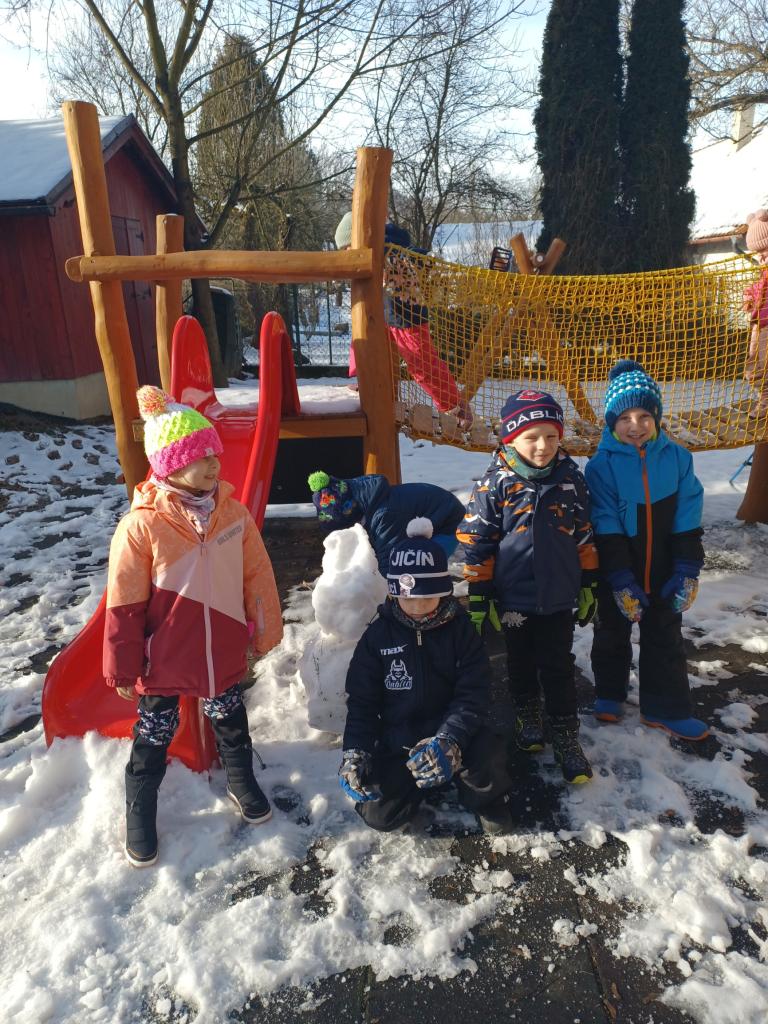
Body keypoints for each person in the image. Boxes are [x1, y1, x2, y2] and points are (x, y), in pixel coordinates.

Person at [104, 386, 283, 867]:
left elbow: (257, 575)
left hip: (220, 648)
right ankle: (140, 810)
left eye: (214, 455)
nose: (213, 465)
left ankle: (241, 780)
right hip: (162, 656)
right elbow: (124, 601)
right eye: (199, 457)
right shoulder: (142, 525)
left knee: (231, 718)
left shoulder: (232, 514)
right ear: (170, 464)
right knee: (154, 732)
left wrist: (264, 628)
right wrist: (123, 665)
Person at [456, 390, 598, 784]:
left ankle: (566, 732)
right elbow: (477, 542)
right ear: (510, 439)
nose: (543, 446)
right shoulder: (495, 484)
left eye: (551, 436)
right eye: (531, 437)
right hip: (514, 598)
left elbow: (584, 534)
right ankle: (527, 714)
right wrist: (479, 593)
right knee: (520, 660)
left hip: (558, 597)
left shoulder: (571, 479)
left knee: (558, 664)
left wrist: (589, 581)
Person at [338, 518, 512, 832]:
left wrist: (450, 740)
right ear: (394, 594)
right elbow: (362, 703)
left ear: (443, 592)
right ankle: (415, 788)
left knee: (488, 756)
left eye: (427, 598)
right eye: (408, 599)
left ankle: (484, 799)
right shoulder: (377, 637)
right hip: (400, 741)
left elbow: (473, 693)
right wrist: (356, 751)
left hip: (456, 733)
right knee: (379, 814)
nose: (417, 607)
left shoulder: (461, 630)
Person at [585, 360, 708, 741]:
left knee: (665, 636)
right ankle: (609, 692)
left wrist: (687, 568)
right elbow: (606, 522)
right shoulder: (601, 466)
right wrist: (620, 578)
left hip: (665, 567)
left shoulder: (678, 459)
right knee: (610, 633)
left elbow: (688, 515)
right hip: (618, 566)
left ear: (656, 418)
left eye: (644, 416)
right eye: (624, 417)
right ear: (611, 422)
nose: (635, 425)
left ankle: (665, 708)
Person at [334, 212, 473, 427]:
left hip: (406, 318)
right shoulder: (384, 247)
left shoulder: (384, 249)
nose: (347, 254)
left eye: (347, 248)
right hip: (384, 313)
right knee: (362, 341)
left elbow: (415, 258)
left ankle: (455, 406)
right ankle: (364, 382)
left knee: (421, 364)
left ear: (358, 239)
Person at [307, 469, 465, 576]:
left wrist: (385, 594)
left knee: (421, 565)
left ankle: (433, 602)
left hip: (447, 520)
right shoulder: (359, 497)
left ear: (351, 512)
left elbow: (390, 559)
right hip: (426, 515)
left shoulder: (383, 515)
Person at [742, 209, 768, 415]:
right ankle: (764, 398)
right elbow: (761, 286)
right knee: (753, 367)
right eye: (757, 253)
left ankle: (766, 402)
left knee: (765, 366)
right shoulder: (764, 272)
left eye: (764, 251)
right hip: (759, 323)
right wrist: (749, 295)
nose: (760, 257)